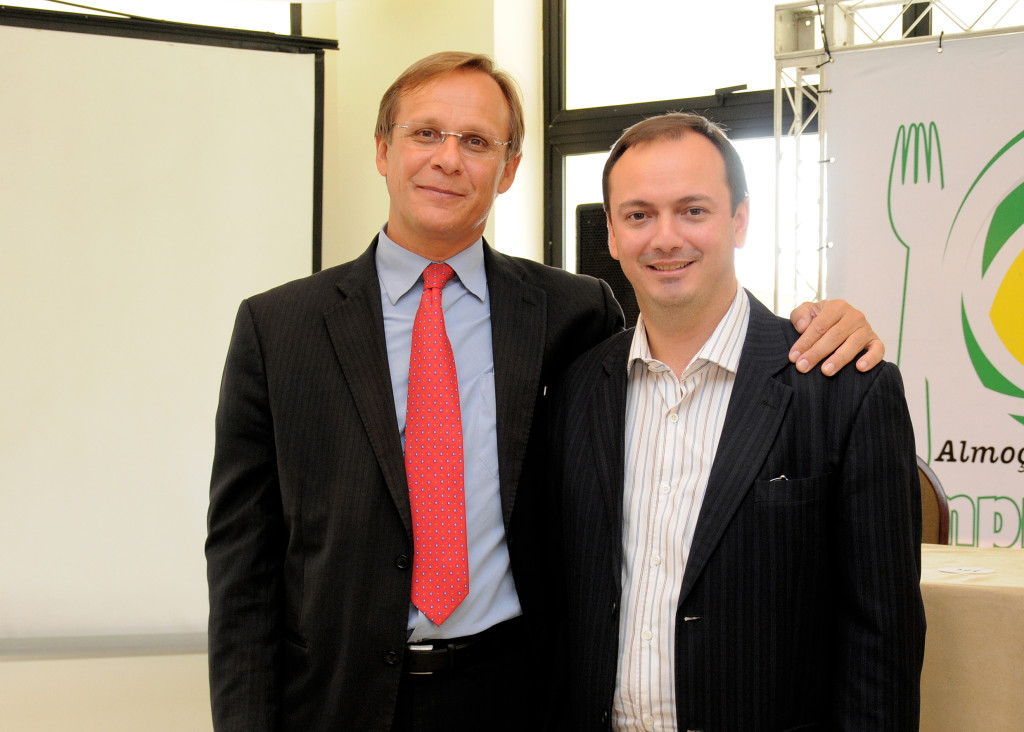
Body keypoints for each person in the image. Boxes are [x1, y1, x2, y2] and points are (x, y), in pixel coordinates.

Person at [206, 53, 885, 731]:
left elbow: (685, 342)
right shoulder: (278, 330)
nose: (448, 159)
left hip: (520, 693)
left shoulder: (573, 313)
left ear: (508, 169)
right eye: (426, 133)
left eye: (477, 142)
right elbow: (243, 567)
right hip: (335, 699)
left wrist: (823, 320)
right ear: (383, 149)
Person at [551, 112, 926, 731]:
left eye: (693, 210)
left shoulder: (844, 388)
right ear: (612, 234)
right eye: (639, 215)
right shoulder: (575, 389)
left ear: (740, 220)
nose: (665, 238)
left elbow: (883, 638)